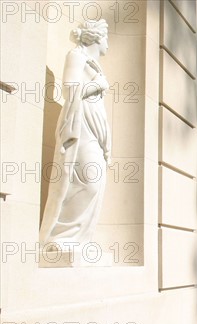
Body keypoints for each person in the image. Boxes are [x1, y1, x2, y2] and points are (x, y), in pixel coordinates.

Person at [40, 19, 111, 251]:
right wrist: (97, 85)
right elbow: (69, 88)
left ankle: (81, 239)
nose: (108, 42)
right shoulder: (76, 56)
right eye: (107, 37)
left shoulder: (94, 64)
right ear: (98, 37)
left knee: (96, 182)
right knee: (88, 181)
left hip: (94, 130)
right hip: (80, 129)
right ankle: (61, 238)